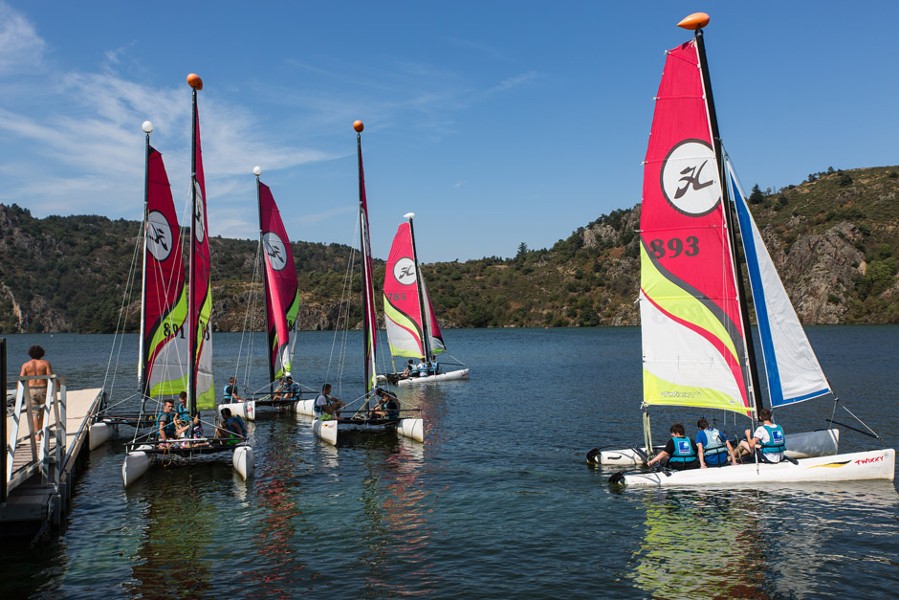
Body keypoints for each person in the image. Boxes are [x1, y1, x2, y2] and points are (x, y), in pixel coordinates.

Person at [20, 345, 53, 439]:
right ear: (42, 353)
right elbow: (50, 375)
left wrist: (19, 391)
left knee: (34, 412)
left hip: (31, 389)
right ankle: (41, 429)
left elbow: (21, 378)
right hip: (42, 388)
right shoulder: (45, 363)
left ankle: (36, 434)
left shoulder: (26, 365)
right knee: (44, 411)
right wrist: (58, 386)